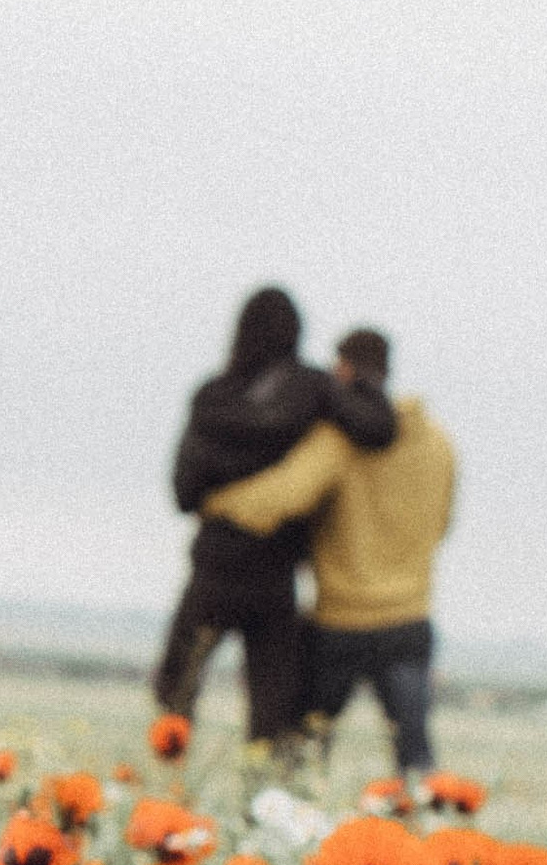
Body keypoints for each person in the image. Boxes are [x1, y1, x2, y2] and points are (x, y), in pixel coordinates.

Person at [199, 327, 457, 783]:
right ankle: (424, 844)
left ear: (343, 369)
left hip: (342, 624)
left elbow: (281, 498)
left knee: (302, 756)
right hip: (410, 621)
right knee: (416, 763)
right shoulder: (439, 446)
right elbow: (441, 525)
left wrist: (213, 500)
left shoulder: (340, 442)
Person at [154, 288, 397, 752]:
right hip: (274, 572)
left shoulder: (211, 396)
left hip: (215, 563)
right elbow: (378, 429)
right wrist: (361, 381)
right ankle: (264, 804)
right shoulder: (312, 387)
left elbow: (183, 493)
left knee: (177, 691)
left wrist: (228, 488)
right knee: (273, 712)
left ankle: (168, 800)